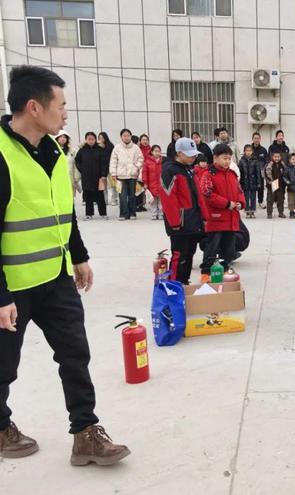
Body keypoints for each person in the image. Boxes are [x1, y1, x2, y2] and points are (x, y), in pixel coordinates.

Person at [0, 65, 129, 465]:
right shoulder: (2, 155)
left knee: (75, 353)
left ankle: (85, 432)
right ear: (34, 107)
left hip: (55, 277)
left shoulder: (55, 150)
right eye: (62, 105)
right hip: (12, 285)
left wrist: (79, 255)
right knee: (4, 366)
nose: (67, 113)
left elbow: (64, 211)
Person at [160, 137, 206, 285]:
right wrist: (175, 222)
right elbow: (168, 199)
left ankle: (184, 281)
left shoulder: (189, 170)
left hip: (193, 220)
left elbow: (198, 196)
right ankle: (175, 284)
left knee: (189, 254)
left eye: (194, 154)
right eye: (189, 154)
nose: (193, 157)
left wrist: (203, 216)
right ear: (179, 153)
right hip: (179, 223)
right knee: (179, 255)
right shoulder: (170, 170)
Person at [198, 144, 246, 283]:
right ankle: (206, 273)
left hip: (231, 218)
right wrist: (226, 204)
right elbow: (207, 194)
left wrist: (240, 203)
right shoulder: (208, 174)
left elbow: (239, 191)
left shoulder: (232, 174)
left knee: (229, 249)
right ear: (215, 158)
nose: (227, 161)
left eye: (229, 158)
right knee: (211, 248)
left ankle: (225, 270)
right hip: (216, 219)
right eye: (224, 158)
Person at [110, 128, 143, 221]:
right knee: (122, 196)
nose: (126, 137)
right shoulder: (117, 148)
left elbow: (141, 159)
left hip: (132, 175)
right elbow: (113, 161)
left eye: (128, 135)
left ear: (131, 136)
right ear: (121, 137)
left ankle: (132, 213)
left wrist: (136, 167)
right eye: (124, 135)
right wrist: (113, 173)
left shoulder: (136, 148)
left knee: (132, 195)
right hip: (120, 176)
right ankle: (123, 214)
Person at [75, 131, 108, 220]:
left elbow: (104, 163)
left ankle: (103, 213)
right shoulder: (82, 150)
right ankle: (89, 214)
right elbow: (77, 161)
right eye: (89, 139)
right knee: (88, 196)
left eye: (92, 139)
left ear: (95, 140)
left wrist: (103, 174)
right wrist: (82, 169)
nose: (91, 141)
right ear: (86, 140)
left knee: (100, 196)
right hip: (86, 177)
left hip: (98, 177)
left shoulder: (100, 149)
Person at [239, 144, 262, 219]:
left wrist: (259, 182)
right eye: (247, 150)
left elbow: (258, 172)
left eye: (250, 150)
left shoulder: (255, 160)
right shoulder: (241, 161)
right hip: (245, 182)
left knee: (253, 197)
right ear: (244, 151)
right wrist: (239, 183)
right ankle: (247, 211)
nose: (248, 152)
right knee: (246, 197)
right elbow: (239, 173)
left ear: (252, 151)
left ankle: (252, 211)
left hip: (253, 182)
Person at [56, 131, 81, 197]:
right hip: (58, 178)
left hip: (70, 178)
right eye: (61, 137)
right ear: (57, 138)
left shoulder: (72, 151)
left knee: (70, 197)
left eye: (64, 137)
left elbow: (76, 164)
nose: (63, 139)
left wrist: (76, 177)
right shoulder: (53, 150)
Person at [142, 145, 163, 220]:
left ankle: (161, 213)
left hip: (161, 184)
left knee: (161, 200)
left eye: (159, 151)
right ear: (152, 152)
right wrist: (145, 183)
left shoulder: (163, 161)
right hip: (151, 184)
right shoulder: (147, 162)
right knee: (153, 200)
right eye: (155, 151)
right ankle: (154, 213)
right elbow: (144, 173)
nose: (157, 153)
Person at [265, 151, 286, 219]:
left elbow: (285, 173)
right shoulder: (270, 164)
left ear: (280, 157)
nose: (277, 158)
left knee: (280, 199)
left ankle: (281, 212)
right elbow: (267, 173)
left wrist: (284, 182)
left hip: (280, 185)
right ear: (272, 157)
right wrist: (271, 181)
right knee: (270, 200)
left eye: (278, 157)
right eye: (275, 157)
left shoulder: (282, 164)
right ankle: (269, 213)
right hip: (272, 184)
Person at [251, 132, 269, 209]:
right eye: (255, 138)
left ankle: (260, 201)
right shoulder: (249, 149)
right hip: (251, 172)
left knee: (261, 188)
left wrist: (264, 169)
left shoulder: (263, 150)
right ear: (252, 139)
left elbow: (267, 161)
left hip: (261, 172)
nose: (256, 140)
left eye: (258, 138)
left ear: (260, 139)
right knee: (252, 188)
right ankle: (252, 203)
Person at [98, 132, 117, 206]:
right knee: (103, 186)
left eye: (102, 137)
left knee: (113, 185)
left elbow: (112, 157)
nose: (101, 139)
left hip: (110, 168)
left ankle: (114, 199)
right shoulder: (97, 146)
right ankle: (105, 200)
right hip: (101, 168)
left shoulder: (110, 145)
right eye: (99, 138)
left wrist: (104, 148)